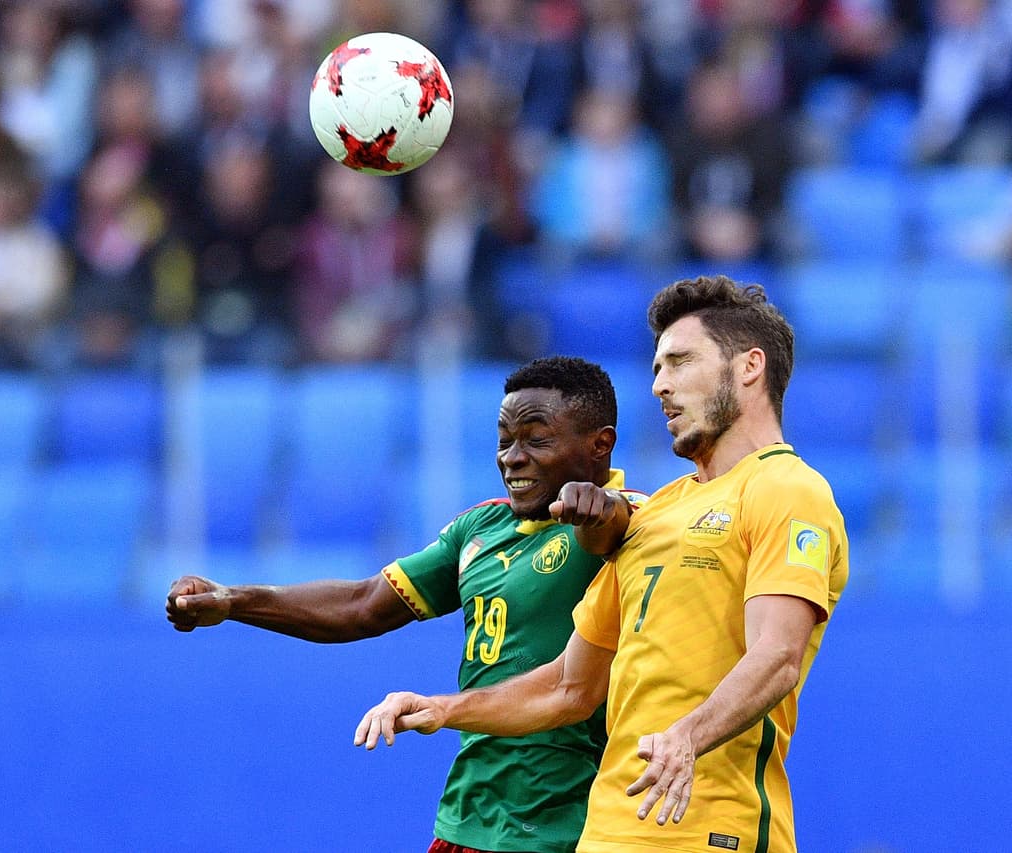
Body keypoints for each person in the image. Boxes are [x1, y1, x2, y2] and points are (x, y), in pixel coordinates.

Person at [356, 276, 850, 853]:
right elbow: (570, 686)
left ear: (749, 367)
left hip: (713, 830)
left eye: (680, 362)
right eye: (657, 369)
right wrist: (446, 708)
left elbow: (777, 656)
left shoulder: (787, 490)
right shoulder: (658, 512)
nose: (660, 386)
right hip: (608, 832)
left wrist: (686, 736)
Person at [167, 355, 645, 853]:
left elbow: (611, 528)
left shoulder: (637, 522)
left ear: (600, 445)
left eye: (536, 439)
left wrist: (602, 510)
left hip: (573, 827)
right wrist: (232, 600)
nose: (511, 458)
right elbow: (363, 604)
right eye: (504, 441)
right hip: (468, 818)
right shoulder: (480, 529)